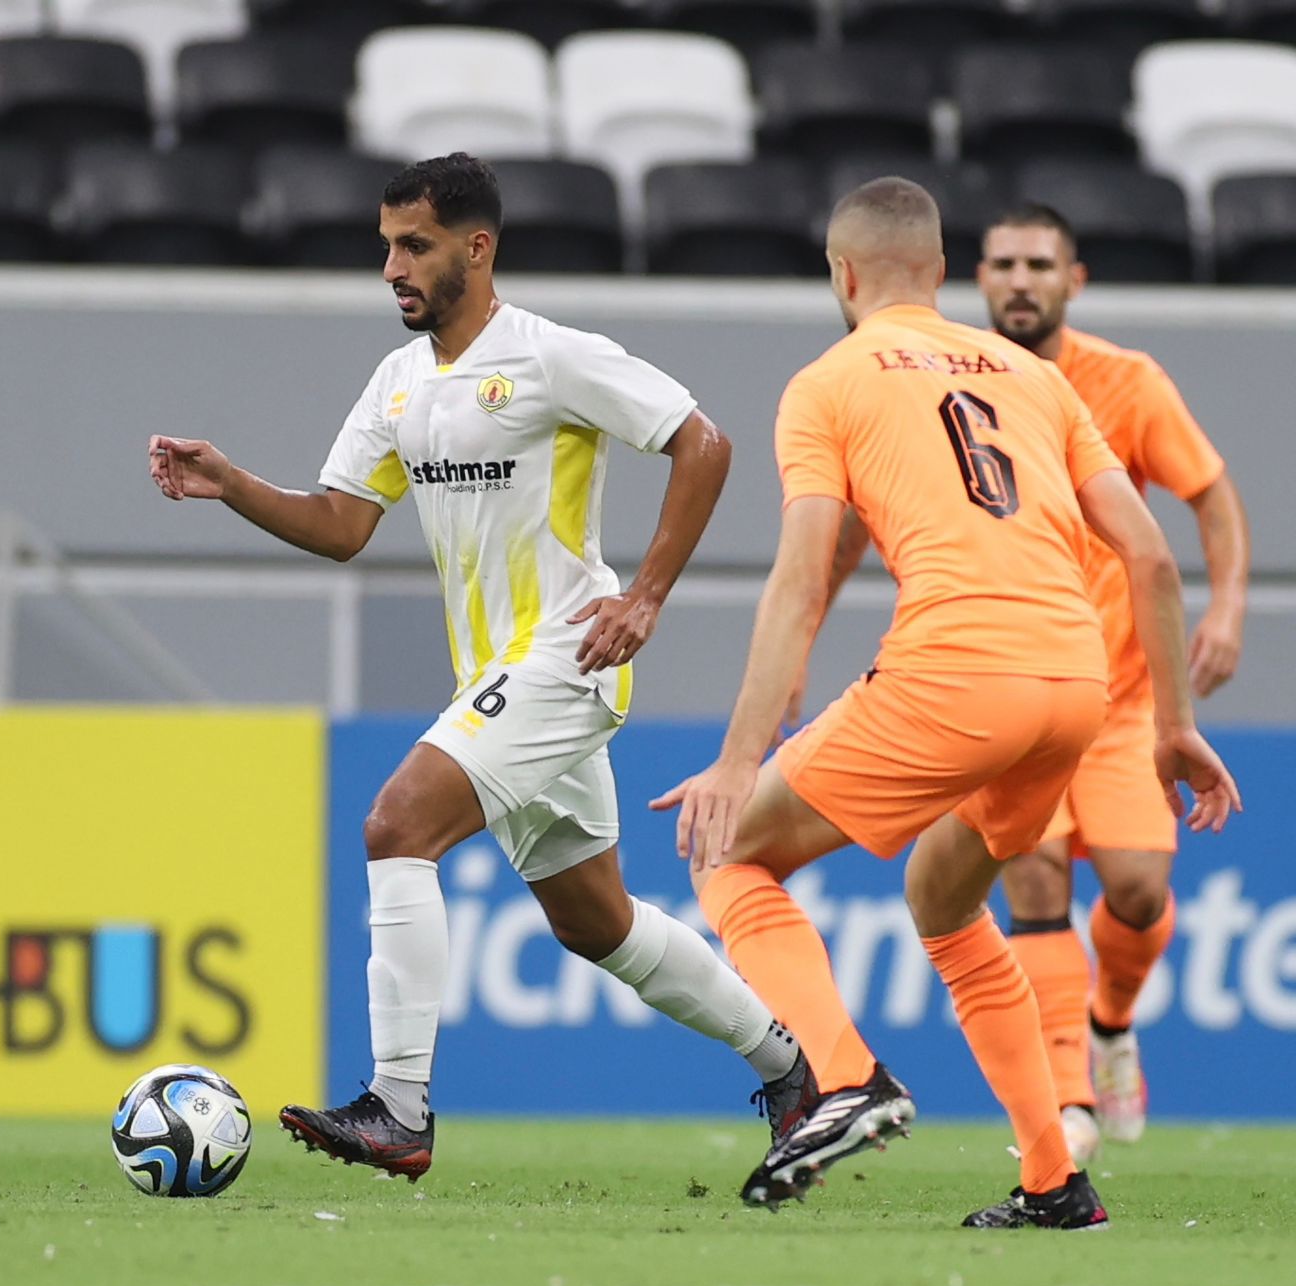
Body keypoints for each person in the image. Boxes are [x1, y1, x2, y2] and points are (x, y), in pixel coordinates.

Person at [147, 153, 812, 1183]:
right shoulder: (399, 382)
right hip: (495, 680)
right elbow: (340, 526)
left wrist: (641, 598)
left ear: (476, 247)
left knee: (394, 823)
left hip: (567, 655)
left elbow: (703, 442)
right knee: (597, 923)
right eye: (384, 247)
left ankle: (397, 1104)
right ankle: (790, 1070)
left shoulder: (550, 357)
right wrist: (232, 483)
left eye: (411, 245)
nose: (390, 269)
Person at [654, 177, 1239, 1229]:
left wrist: (740, 756)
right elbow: (1149, 557)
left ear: (842, 275)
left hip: (955, 669)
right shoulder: (1033, 376)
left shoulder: (826, 381)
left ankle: (842, 1079)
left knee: (729, 852)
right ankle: (1054, 1178)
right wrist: (1173, 724)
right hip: (1073, 683)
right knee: (944, 899)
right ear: (938, 274)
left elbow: (798, 579)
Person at [978, 204, 1252, 1161]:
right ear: (978, 277)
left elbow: (1211, 496)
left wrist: (1225, 609)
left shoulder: (1128, 384)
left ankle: (1108, 1022)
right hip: (1013, 684)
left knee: (1138, 890)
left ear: (1073, 279)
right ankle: (1066, 1102)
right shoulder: (960, 381)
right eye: (1003, 263)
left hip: (1122, 697)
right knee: (1036, 873)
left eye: (1038, 264)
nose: (1019, 280)